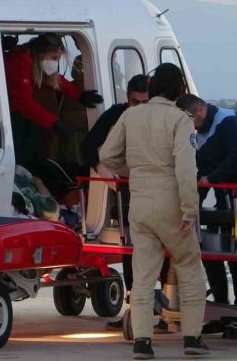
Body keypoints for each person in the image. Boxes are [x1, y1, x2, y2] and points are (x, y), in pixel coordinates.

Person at [99, 63, 210, 360]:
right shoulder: (180, 120)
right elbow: (186, 170)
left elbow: (106, 155)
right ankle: (192, 337)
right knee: (188, 265)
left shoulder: (131, 115)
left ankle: (142, 343)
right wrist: (190, 209)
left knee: (144, 274)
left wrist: (132, 170)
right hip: (171, 202)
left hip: (139, 200)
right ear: (179, 90)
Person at [81, 74, 167, 331]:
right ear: (127, 100)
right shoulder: (118, 114)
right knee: (130, 249)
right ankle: (135, 308)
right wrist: (102, 169)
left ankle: (166, 307)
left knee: (162, 248)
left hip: (158, 189)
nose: (139, 108)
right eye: (135, 102)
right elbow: (88, 146)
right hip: (128, 188)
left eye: (145, 102)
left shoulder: (163, 116)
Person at [176, 94, 237, 307]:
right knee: (211, 253)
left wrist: (212, 179)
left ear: (200, 111)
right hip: (223, 199)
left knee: (236, 258)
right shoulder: (201, 133)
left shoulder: (229, 122)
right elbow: (201, 166)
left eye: (189, 121)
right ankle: (220, 302)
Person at [3, 33, 103, 167]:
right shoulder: (20, 61)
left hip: (19, 116)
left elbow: (56, 79)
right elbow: (24, 103)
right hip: (11, 118)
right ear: (42, 54)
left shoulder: (34, 61)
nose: (55, 62)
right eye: (54, 58)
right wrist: (54, 123)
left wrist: (80, 96)